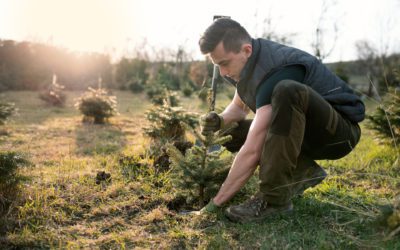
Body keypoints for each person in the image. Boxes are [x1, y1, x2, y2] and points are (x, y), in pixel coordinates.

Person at [198, 18, 365, 223]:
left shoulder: (276, 69)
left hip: (338, 133)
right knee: (231, 132)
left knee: (287, 90)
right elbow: (238, 108)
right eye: (217, 66)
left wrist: (216, 203)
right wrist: (219, 121)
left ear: (246, 50)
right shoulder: (248, 64)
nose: (223, 72)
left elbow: (253, 149)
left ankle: (274, 199)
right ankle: (302, 169)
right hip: (304, 131)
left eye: (224, 63)